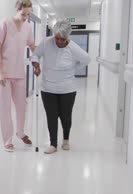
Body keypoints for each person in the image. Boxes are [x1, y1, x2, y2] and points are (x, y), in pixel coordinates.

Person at [31, 20, 91, 154]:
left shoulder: (73, 48)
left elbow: (87, 59)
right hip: (48, 88)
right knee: (51, 116)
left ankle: (66, 140)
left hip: (67, 89)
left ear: (68, 37)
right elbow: (36, 55)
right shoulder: (46, 42)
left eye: (62, 39)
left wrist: (74, 68)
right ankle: (53, 144)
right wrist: (36, 65)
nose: (59, 41)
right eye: (56, 38)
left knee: (65, 116)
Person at [0, 0, 36, 152]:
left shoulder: (28, 27)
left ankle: (20, 132)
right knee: (5, 107)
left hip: (19, 71)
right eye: (23, 14)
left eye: (28, 14)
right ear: (16, 9)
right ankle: (7, 140)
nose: (26, 17)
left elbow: (32, 46)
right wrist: (1, 72)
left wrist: (43, 51)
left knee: (22, 105)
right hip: (4, 72)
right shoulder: (4, 23)